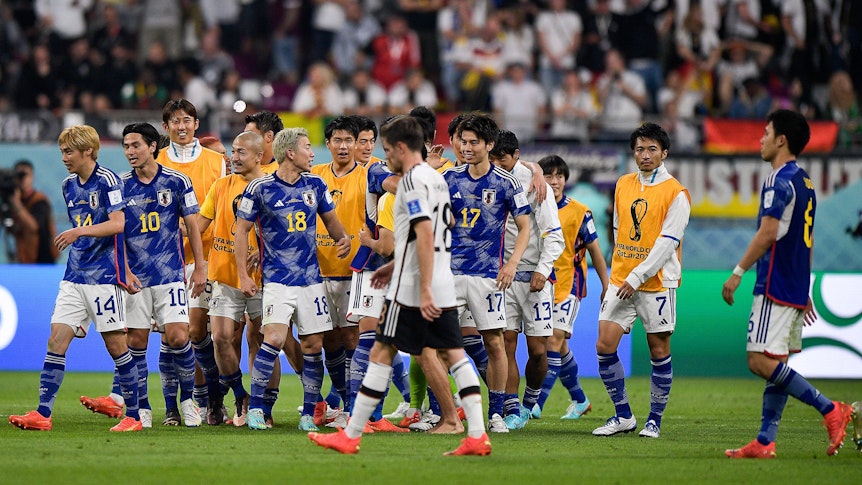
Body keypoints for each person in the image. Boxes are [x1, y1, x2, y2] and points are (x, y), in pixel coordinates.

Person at [309, 115, 491, 456]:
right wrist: (396, 264)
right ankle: (477, 435)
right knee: (453, 352)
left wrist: (415, 284)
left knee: (379, 350)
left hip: (413, 285)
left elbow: (424, 232)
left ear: (403, 148)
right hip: (440, 277)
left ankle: (350, 436)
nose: (384, 156)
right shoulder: (436, 179)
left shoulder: (409, 182)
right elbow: (445, 224)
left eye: (389, 149)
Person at [722, 109, 853, 458]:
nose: (761, 139)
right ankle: (765, 441)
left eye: (766, 133)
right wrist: (804, 288)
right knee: (776, 363)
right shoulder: (805, 181)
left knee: (758, 360)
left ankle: (830, 409)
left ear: (781, 139)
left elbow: (768, 233)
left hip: (775, 283)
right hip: (793, 283)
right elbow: (805, 241)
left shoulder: (778, 181)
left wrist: (737, 271)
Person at [9, 125, 141, 432]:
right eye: (62, 152)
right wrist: (79, 236)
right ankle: (43, 414)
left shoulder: (108, 180)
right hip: (74, 276)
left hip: (104, 279)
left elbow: (118, 224)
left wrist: (80, 232)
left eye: (69, 152)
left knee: (116, 347)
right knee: (55, 340)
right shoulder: (68, 185)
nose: (64, 158)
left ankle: (133, 415)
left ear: (88, 152)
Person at [80, 122, 207, 428]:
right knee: (136, 342)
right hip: (134, 278)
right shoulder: (120, 186)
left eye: (136, 145)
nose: (130, 152)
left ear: (152, 147)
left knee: (178, 336)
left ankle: (188, 400)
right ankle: (142, 407)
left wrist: (200, 267)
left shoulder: (178, 181)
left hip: (170, 273)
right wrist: (121, 271)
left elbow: (192, 225)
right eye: (126, 146)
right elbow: (115, 233)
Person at [233, 127, 351, 431]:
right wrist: (244, 275)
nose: (312, 154)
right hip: (277, 280)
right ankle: (257, 408)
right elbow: (241, 231)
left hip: (312, 280)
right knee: (271, 338)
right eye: (307, 148)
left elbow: (332, 222)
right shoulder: (260, 188)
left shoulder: (316, 184)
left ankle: (309, 413)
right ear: (290, 153)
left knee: (313, 345)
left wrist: (344, 239)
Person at [593, 122, 690, 439]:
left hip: (656, 283)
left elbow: (667, 243)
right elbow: (619, 231)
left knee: (658, 349)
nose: (645, 155)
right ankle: (623, 415)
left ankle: (654, 420)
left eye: (651, 149)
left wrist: (637, 275)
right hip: (621, 281)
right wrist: (614, 275)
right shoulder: (622, 183)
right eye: (639, 149)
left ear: (664, 152)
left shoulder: (676, 193)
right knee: (604, 345)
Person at [443, 114, 532, 433]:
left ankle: (495, 413)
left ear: (489, 145)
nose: (466, 148)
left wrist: (511, 264)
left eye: (473, 143)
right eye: (463, 142)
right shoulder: (449, 179)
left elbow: (525, 226)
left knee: (495, 343)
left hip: (488, 277)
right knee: (441, 344)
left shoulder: (507, 183)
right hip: (449, 274)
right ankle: (442, 413)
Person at [156, 99, 227, 425]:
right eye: (175, 121)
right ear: (166, 126)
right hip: (165, 262)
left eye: (186, 120)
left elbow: (226, 209)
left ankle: (209, 398)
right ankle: (177, 406)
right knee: (171, 337)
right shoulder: (155, 160)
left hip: (207, 259)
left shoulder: (217, 162)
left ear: (196, 124)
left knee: (197, 332)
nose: (181, 127)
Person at [488, 131, 564, 430]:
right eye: (493, 159)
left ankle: (531, 399)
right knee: (505, 341)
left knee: (538, 350)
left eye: (502, 159)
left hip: (534, 276)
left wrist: (542, 270)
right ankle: (510, 406)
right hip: (500, 276)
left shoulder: (535, 185)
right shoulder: (488, 178)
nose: (496, 165)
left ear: (515, 155)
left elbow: (553, 234)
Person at [197, 131, 267, 428]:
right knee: (221, 338)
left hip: (264, 279)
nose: (234, 158)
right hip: (224, 277)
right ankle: (240, 394)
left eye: (241, 152)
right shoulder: (221, 186)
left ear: (258, 156)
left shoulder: (271, 187)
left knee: (269, 341)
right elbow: (197, 226)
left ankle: (271, 406)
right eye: (233, 152)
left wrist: (263, 253)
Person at [534, 155, 608, 420]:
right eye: (549, 176)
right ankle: (579, 400)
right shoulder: (532, 206)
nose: (554, 181)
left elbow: (596, 252)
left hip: (570, 283)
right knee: (559, 347)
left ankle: (534, 404)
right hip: (541, 284)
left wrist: (606, 284)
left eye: (559, 176)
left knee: (553, 341)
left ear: (566, 180)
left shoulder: (580, 212)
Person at [311, 116, 367, 422]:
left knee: (353, 340)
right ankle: (343, 402)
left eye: (349, 140)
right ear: (328, 143)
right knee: (329, 341)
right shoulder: (315, 175)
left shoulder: (369, 176)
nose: (343, 146)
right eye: (337, 140)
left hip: (354, 272)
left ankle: (356, 408)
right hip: (318, 271)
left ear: (357, 144)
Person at [7, 160, 58, 263]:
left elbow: (34, 226)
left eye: (25, 175)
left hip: (43, 258)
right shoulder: (13, 199)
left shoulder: (39, 200)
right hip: (24, 258)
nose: (22, 179)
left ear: (32, 177)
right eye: (19, 176)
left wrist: (16, 204)